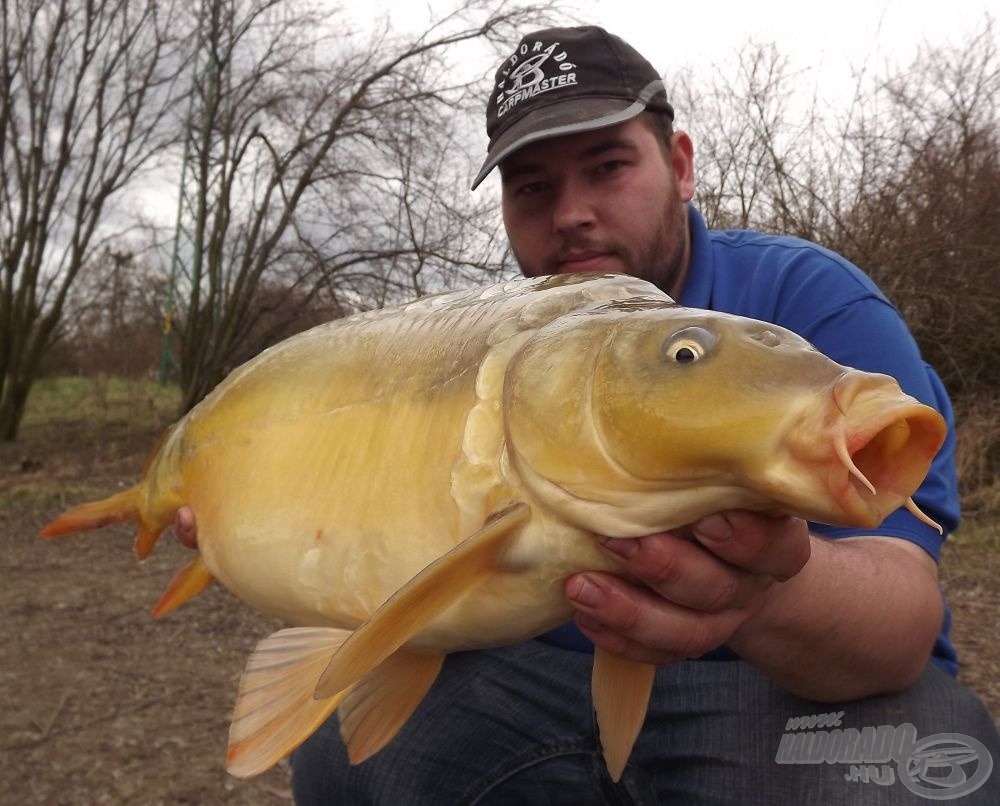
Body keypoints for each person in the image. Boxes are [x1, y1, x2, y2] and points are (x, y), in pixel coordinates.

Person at [177, 25, 1000, 804]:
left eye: (607, 167)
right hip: (529, 675)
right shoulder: (460, 341)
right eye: (532, 186)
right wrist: (247, 518)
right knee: (346, 757)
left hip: (776, 689)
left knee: (926, 771)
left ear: (680, 163)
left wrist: (757, 594)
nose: (570, 212)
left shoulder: (809, 304)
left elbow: (902, 621)